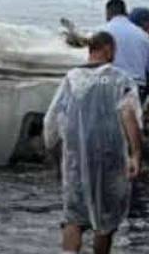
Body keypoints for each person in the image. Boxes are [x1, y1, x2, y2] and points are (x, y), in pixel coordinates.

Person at [44, 31, 142, 254]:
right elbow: (129, 115)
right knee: (105, 220)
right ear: (107, 49)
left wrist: (52, 151)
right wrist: (135, 154)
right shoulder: (121, 78)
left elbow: (52, 119)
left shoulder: (71, 78)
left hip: (76, 157)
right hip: (110, 156)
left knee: (73, 218)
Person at [105, 0, 149, 108]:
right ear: (125, 13)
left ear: (108, 13)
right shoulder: (143, 36)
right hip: (135, 88)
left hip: (109, 85)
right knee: (132, 122)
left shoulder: (102, 32)